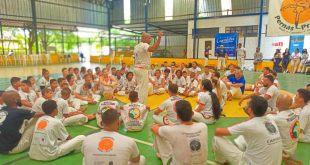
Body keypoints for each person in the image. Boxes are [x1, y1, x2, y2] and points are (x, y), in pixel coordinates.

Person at [213, 95, 282, 165]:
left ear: (250, 110)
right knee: (247, 135)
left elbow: (218, 132)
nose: (245, 105)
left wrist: (245, 121)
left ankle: (221, 161)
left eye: (247, 104)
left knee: (217, 138)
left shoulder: (249, 125)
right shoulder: (270, 119)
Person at [152, 100, 208, 165]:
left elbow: (153, 128)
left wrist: (168, 125)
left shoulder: (173, 130)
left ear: (177, 116)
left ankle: (162, 155)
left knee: (159, 134)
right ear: (192, 114)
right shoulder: (203, 126)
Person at [134, 31, 163, 104]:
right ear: (144, 38)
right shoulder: (144, 45)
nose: (150, 40)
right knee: (143, 89)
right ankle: (141, 105)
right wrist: (159, 38)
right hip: (142, 69)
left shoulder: (136, 46)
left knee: (140, 87)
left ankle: (136, 100)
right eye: (149, 38)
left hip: (137, 68)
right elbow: (153, 48)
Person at [267, 94, 299, 161]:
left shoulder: (277, 119)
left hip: (283, 152)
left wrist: (268, 114)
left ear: (277, 103)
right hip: (292, 149)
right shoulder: (294, 114)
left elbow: (262, 119)